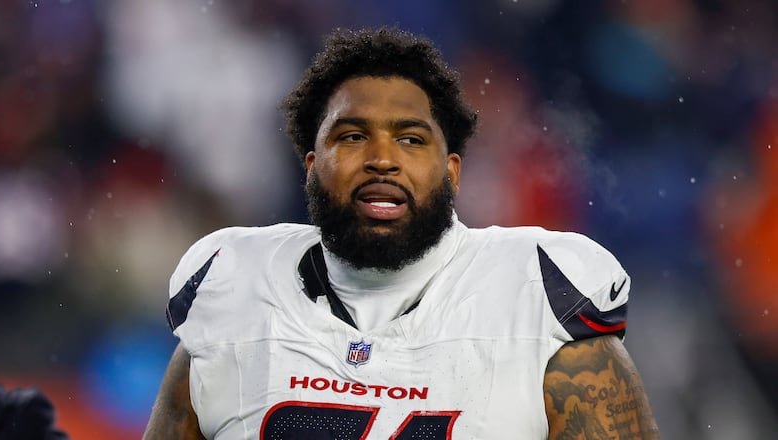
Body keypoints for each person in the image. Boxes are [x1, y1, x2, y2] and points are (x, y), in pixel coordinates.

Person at [144, 27, 660, 439]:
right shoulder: (230, 294)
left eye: (411, 139)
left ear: (452, 171)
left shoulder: (539, 297)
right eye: (352, 136)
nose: (382, 160)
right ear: (310, 165)